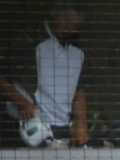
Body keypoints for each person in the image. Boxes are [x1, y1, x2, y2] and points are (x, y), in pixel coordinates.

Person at [0, 0, 90, 147]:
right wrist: (21, 102)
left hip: (61, 129)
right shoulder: (28, 39)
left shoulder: (79, 49)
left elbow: (79, 88)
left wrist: (82, 124)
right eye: (66, 22)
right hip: (27, 127)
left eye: (75, 26)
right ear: (54, 13)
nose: (70, 29)